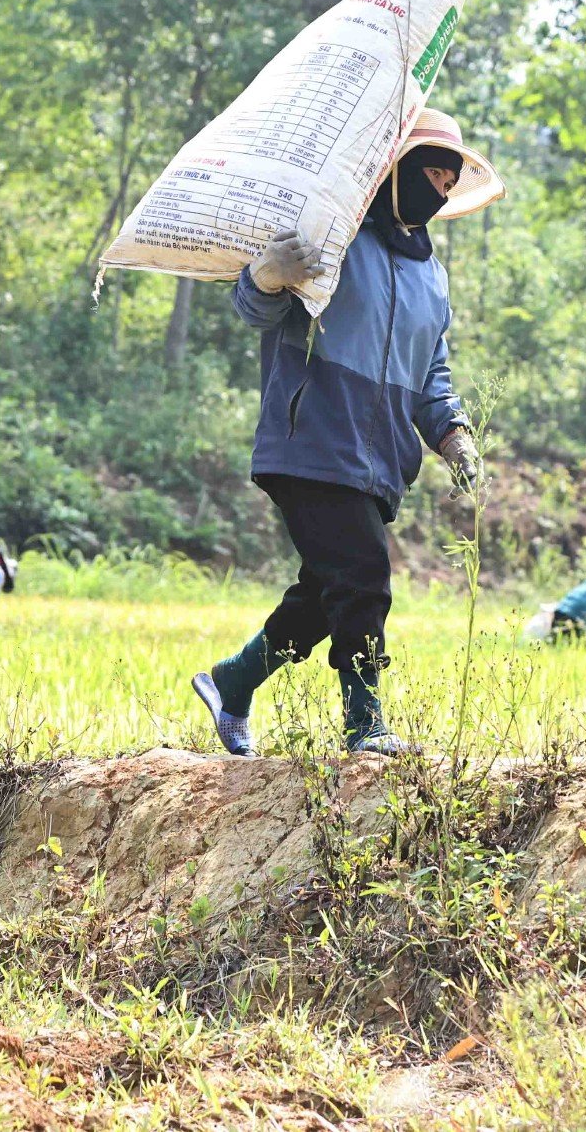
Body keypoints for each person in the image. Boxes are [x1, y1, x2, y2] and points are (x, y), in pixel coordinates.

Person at [191, 108, 502, 758]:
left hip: (379, 460)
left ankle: (233, 680)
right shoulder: (332, 233)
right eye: (429, 171)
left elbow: (431, 375)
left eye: (449, 179)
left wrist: (453, 434)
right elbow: (255, 307)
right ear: (393, 171)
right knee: (363, 577)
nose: (440, 186)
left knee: (324, 592)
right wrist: (266, 274)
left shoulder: (432, 277)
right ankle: (365, 723)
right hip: (310, 440)